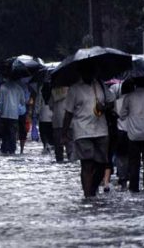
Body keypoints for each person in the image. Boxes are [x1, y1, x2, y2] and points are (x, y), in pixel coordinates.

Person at [62, 66, 115, 197]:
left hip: (101, 130)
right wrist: (64, 133)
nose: (90, 73)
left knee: (102, 164)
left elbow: (111, 101)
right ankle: (88, 196)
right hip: (82, 131)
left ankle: (92, 189)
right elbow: (68, 112)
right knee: (86, 164)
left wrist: (105, 107)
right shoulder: (74, 89)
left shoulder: (100, 85)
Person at [114, 80, 134, 190]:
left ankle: (123, 181)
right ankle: (131, 178)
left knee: (121, 158)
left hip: (120, 132)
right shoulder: (135, 101)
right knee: (132, 157)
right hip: (133, 132)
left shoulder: (117, 102)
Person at [0, 79, 25, 154]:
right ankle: (12, 150)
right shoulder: (19, 88)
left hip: (4, 114)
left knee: (5, 134)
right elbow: (22, 102)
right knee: (12, 134)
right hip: (14, 115)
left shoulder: (3, 87)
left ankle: (5, 149)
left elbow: (0, 101)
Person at [49, 86, 73, 162]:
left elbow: (50, 105)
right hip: (69, 122)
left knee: (58, 146)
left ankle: (59, 160)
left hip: (57, 121)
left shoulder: (53, 91)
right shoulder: (72, 90)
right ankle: (71, 160)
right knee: (70, 145)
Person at [38, 83, 54, 154]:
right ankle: (50, 146)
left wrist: (35, 114)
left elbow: (37, 105)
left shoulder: (41, 95)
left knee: (43, 133)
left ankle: (45, 145)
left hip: (43, 117)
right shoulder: (53, 94)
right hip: (52, 117)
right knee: (50, 133)